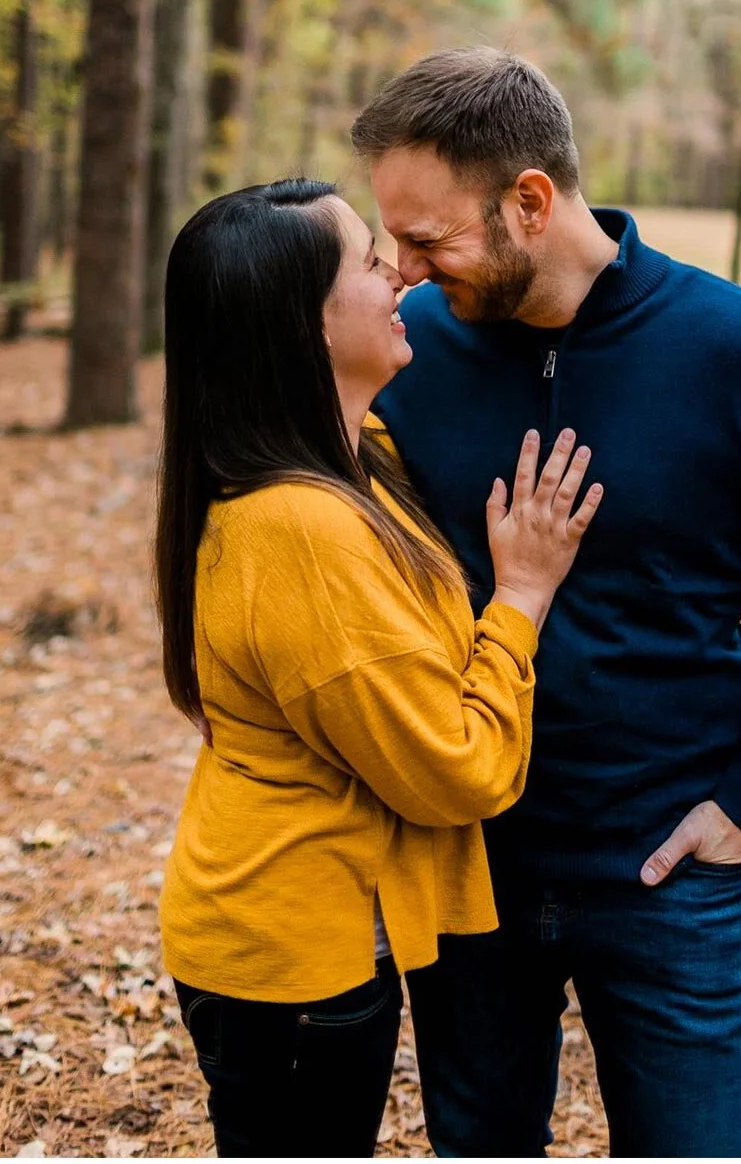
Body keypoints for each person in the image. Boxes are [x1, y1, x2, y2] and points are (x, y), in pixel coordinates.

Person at [358, 47, 741, 1157]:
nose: (399, 267)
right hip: (469, 864)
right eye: (390, 238)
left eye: (425, 237)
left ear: (530, 202)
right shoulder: (415, 360)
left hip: (669, 871)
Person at [155, 179, 602, 1158]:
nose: (399, 269)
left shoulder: (349, 461)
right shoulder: (303, 532)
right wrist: (520, 597)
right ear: (301, 323)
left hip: (302, 932)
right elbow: (462, 771)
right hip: (288, 961)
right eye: (368, 259)